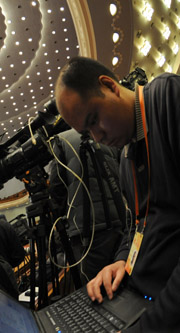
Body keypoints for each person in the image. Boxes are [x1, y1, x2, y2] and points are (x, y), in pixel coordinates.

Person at [55, 56, 180, 331]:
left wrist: (156, 322)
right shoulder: (125, 156)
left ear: (109, 85)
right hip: (140, 296)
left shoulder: (168, 97)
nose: (97, 136)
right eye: (87, 131)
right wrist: (121, 259)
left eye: (94, 119)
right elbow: (139, 224)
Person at [48, 128, 123, 283]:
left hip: (87, 230)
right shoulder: (105, 135)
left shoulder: (60, 141)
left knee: (94, 286)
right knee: (121, 277)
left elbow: (57, 188)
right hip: (119, 220)